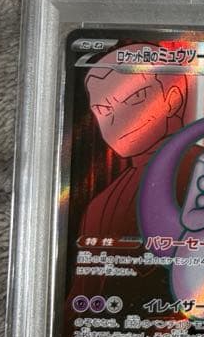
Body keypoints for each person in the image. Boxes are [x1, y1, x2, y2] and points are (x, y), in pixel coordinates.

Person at [80, 46, 189, 239]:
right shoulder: (99, 207)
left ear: (173, 99)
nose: (117, 121)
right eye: (103, 109)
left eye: (135, 97)